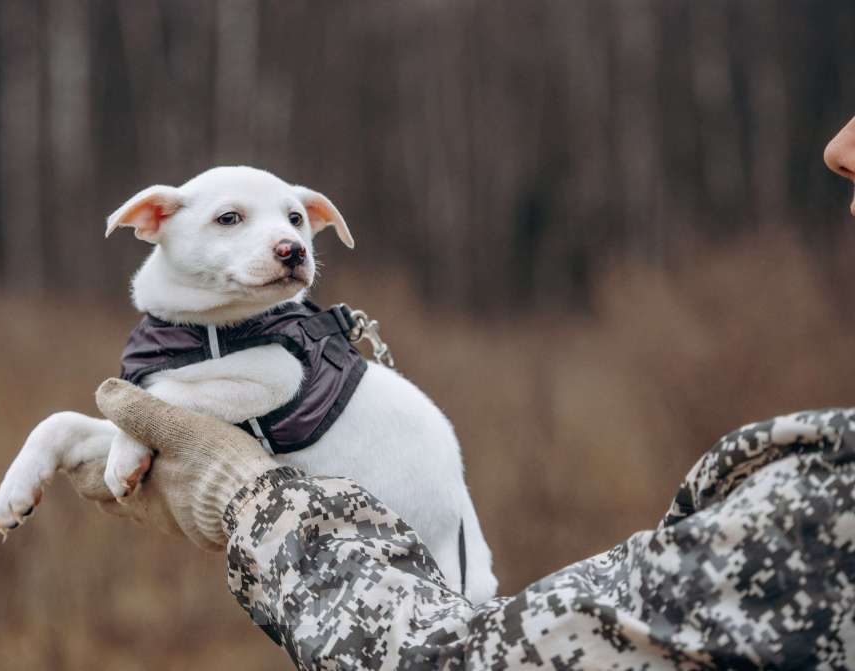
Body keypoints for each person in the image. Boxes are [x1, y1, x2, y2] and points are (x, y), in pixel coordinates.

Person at [58, 118, 855, 669]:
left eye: (297, 220)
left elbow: (460, 660)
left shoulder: (828, 508)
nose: (839, 148)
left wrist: (250, 497)